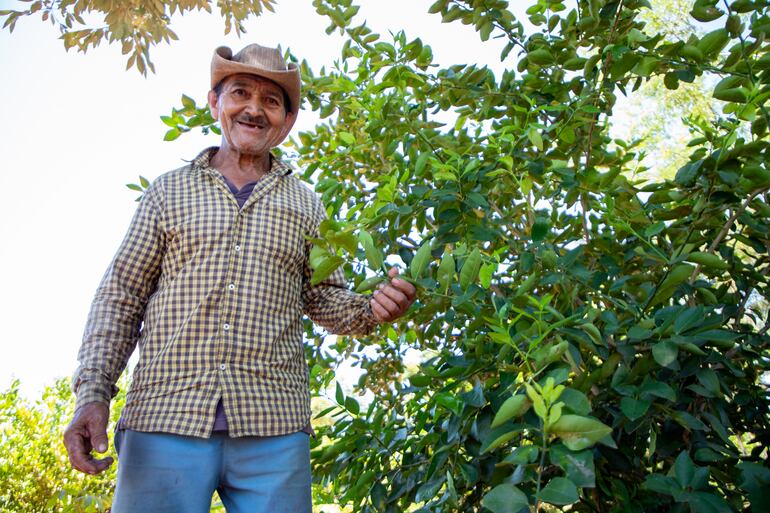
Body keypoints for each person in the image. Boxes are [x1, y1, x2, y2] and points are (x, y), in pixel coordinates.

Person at [63, 43, 416, 513]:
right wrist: (93, 394)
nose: (254, 108)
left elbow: (324, 299)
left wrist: (371, 308)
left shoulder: (307, 205)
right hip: (165, 418)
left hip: (273, 427)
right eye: (240, 93)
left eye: (271, 101)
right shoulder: (167, 192)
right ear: (215, 103)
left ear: (287, 121)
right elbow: (121, 297)